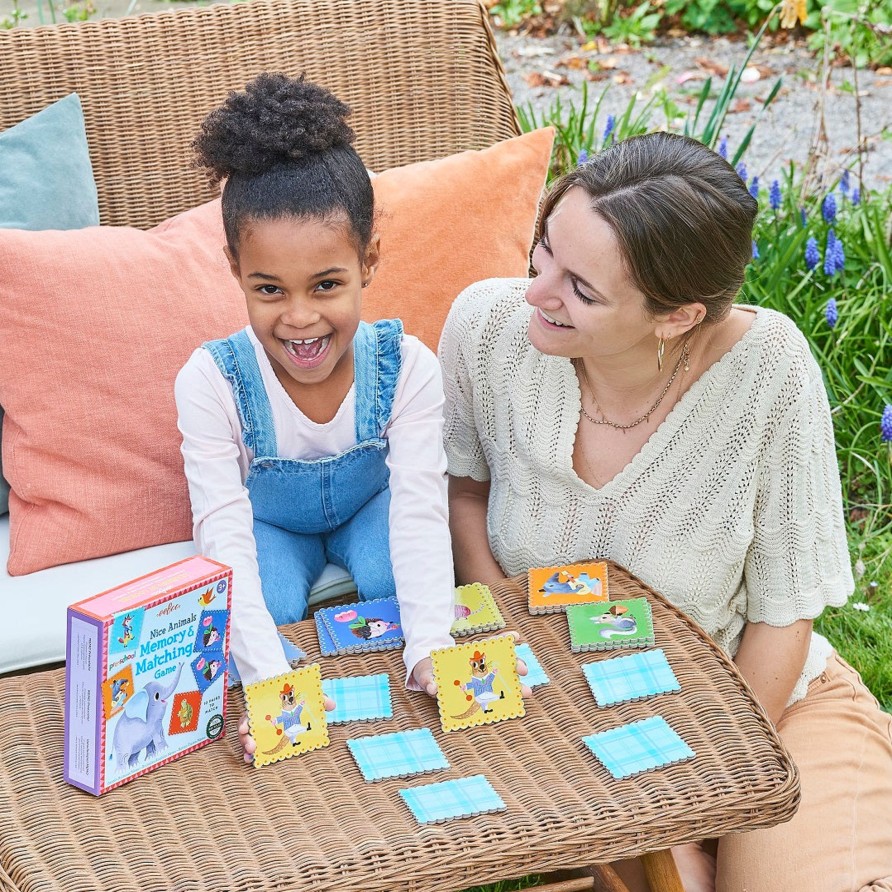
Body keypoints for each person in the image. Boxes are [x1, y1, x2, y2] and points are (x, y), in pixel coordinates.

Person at [439, 131, 892, 891]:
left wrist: (709, 781)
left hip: (766, 703)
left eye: (581, 288)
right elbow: (463, 490)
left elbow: (782, 618)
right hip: (589, 731)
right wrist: (510, 642)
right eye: (544, 250)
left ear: (676, 317)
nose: (537, 292)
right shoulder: (489, 331)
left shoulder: (768, 373)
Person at [175, 73, 456, 760]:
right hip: (272, 525)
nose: (299, 319)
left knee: (399, 588)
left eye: (326, 285)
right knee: (259, 612)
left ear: (368, 262)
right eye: (269, 289)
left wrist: (431, 652)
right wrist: (272, 684)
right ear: (235, 269)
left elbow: (419, 513)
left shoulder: (409, 367)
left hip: (371, 509)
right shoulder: (210, 381)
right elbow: (224, 537)